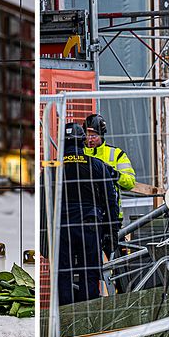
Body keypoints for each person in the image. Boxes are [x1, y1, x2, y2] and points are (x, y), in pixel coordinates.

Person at [57, 122, 120, 305]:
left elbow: (45, 202)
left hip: (62, 226)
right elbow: (110, 201)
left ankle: (64, 319)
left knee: (64, 272)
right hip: (89, 225)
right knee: (90, 271)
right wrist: (112, 230)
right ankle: (89, 317)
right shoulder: (97, 165)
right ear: (82, 141)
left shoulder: (52, 166)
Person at [84, 114, 135, 259]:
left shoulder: (116, 155)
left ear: (101, 134)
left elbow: (130, 182)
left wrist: (114, 174)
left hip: (111, 219)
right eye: (87, 135)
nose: (90, 139)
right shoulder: (79, 154)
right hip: (86, 217)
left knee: (118, 261)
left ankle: (121, 282)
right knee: (88, 262)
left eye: (94, 135)